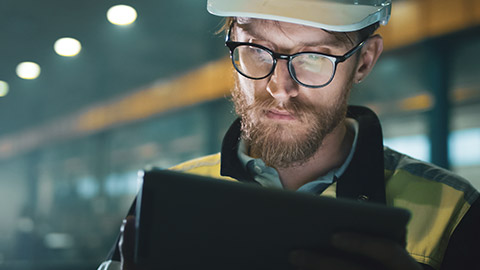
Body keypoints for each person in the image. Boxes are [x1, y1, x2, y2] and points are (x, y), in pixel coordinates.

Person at [98, 0, 480, 269]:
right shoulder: (167, 200)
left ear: (364, 62)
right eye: (257, 51)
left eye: (314, 57)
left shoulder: (454, 212)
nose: (280, 88)